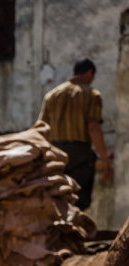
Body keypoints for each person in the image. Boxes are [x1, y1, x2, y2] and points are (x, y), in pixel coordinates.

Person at [39, 57, 112, 210]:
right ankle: (76, 230)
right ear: (90, 73)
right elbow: (93, 128)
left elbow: (41, 128)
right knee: (78, 201)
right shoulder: (91, 94)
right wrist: (105, 160)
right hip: (80, 154)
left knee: (56, 200)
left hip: (55, 154)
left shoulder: (52, 95)